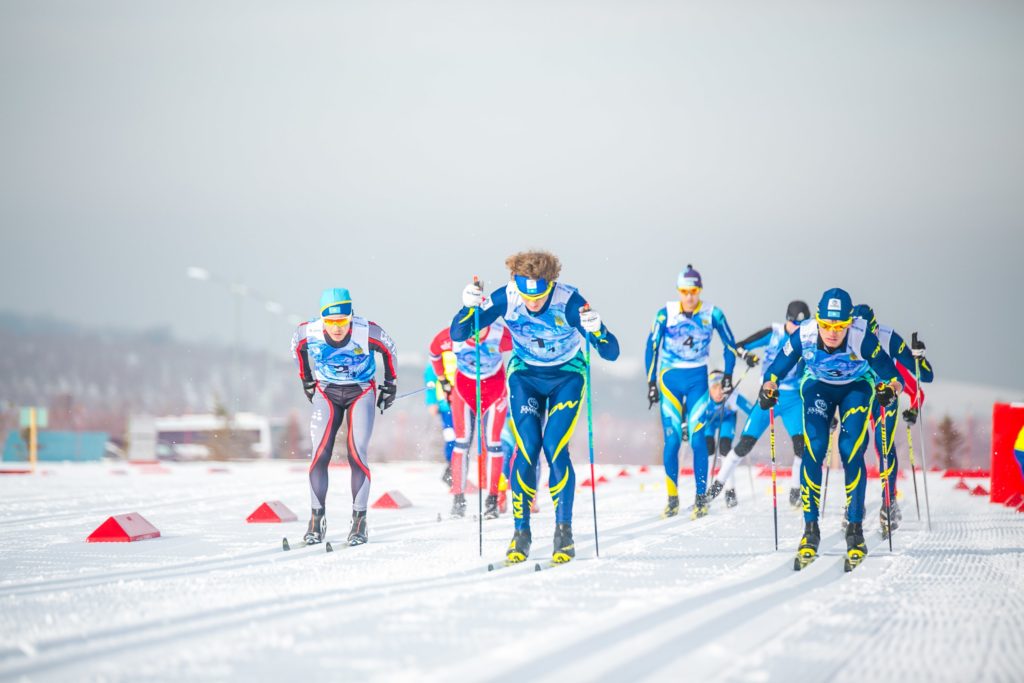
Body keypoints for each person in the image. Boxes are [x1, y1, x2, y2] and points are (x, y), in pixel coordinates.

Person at [451, 250, 619, 564]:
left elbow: (611, 353)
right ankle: (521, 532)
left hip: (566, 376)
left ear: (550, 284)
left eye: (540, 296)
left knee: (555, 448)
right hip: (525, 376)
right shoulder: (506, 297)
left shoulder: (569, 302)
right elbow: (459, 333)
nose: (533, 304)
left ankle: (563, 531)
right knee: (527, 448)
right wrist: (467, 306)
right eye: (529, 298)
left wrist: (598, 330)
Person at [758, 287, 900, 571]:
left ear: (850, 323)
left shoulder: (862, 337)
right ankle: (810, 531)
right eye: (827, 326)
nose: (832, 333)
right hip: (818, 386)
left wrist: (889, 391)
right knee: (816, 447)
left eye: (839, 327)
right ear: (818, 321)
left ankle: (855, 530)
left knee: (850, 450)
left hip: (855, 388)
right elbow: (776, 368)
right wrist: (768, 388)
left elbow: (893, 377)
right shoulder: (806, 333)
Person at [290, 287, 398, 546]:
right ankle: (317, 520)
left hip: (361, 390)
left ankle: (359, 521)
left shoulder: (367, 331)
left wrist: (390, 384)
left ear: (351, 316)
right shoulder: (309, 332)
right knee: (319, 453)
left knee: (356, 451)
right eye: (331, 322)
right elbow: (298, 350)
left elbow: (390, 351)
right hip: (327, 390)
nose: (337, 328)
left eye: (342, 321)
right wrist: (306, 379)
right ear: (322, 319)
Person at [645, 265, 739, 519]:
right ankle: (672, 498)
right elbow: (651, 346)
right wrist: (651, 382)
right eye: (685, 291)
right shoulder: (665, 314)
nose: (689, 297)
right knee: (673, 440)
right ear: (679, 291)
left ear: (700, 291)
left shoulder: (712, 313)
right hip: (670, 380)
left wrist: (728, 375)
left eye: (694, 291)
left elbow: (730, 345)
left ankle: (700, 497)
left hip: (698, 379)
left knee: (698, 440)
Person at [708, 301, 812, 508]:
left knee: (801, 446)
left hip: (793, 399)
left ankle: (795, 490)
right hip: (769, 396)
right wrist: (748, 356)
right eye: (794, 324)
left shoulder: (810, 337)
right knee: (745, 444)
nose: (797, 329)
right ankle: (717, 486)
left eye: (802, 325)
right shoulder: (773, 333)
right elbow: (737, 347)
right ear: (787, 320)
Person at [852, 304, 935, 536]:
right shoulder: (846, 335)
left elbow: (924, 376)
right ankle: (853, 504)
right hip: (859, 395)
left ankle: (889, 502)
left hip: (885, 396)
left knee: (884, 447)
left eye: (872, 334)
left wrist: (920, 357)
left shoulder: (889, 338)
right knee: (855, 447)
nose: (869, 340)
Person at [429, 318, 513, 519]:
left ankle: (492, 499)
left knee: (493, 444)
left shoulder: (500, 333)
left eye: (481, 326)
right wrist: (443, 381)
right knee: (462, 442)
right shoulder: (455, 333)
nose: (476, 333)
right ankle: (458, 499)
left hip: (495, 391)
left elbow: (523, 344)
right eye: (472, 328)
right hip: (464, 392)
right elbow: (434, 351)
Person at [701, 370, 754, 507]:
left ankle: (730, 491)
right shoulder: (703, 395)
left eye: (721, 388)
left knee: (725, 448)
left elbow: (754, 411)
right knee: (708, 449)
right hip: (709, 421)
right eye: (714, 388)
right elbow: (688, 409)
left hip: (727, 419)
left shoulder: (733, 396)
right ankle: (703, 491)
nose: (719, 392)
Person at [423, 364, 457, 486]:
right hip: (446, 405)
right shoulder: (440, 353)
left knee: (461, 438)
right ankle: (452, 466)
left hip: (463, 403)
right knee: (451, 436)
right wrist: (431, 402)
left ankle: (455, 467)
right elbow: (430, 379)